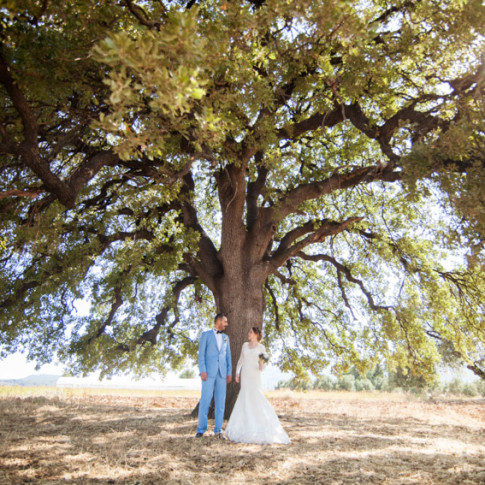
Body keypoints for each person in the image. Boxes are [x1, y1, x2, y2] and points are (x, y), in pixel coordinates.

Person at [225, 326, 290, 444]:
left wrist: (261, 364)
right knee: (244, 396)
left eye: (250, 332)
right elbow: (240, 360)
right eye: (249, 331)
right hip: (245, 374)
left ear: (256, 334)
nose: (248, 333)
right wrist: (237, 373)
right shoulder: (245, 345)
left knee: (256, 396)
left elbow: (262, 366)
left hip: (254, 375)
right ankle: (243, 425)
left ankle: (259, 424)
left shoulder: (261, 347)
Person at [196, 313, 232, 438]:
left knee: (220, 402)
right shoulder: (206, 335)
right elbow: (201, 355)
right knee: (205, 400)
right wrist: (202, 370)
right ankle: (201, 429)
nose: (226, 324)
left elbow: (228, 357)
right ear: (218, 321)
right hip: (208, 373)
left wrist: (229, 372)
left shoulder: (226, 337)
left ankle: (218, 429)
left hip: (222, 374)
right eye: (225, 321)